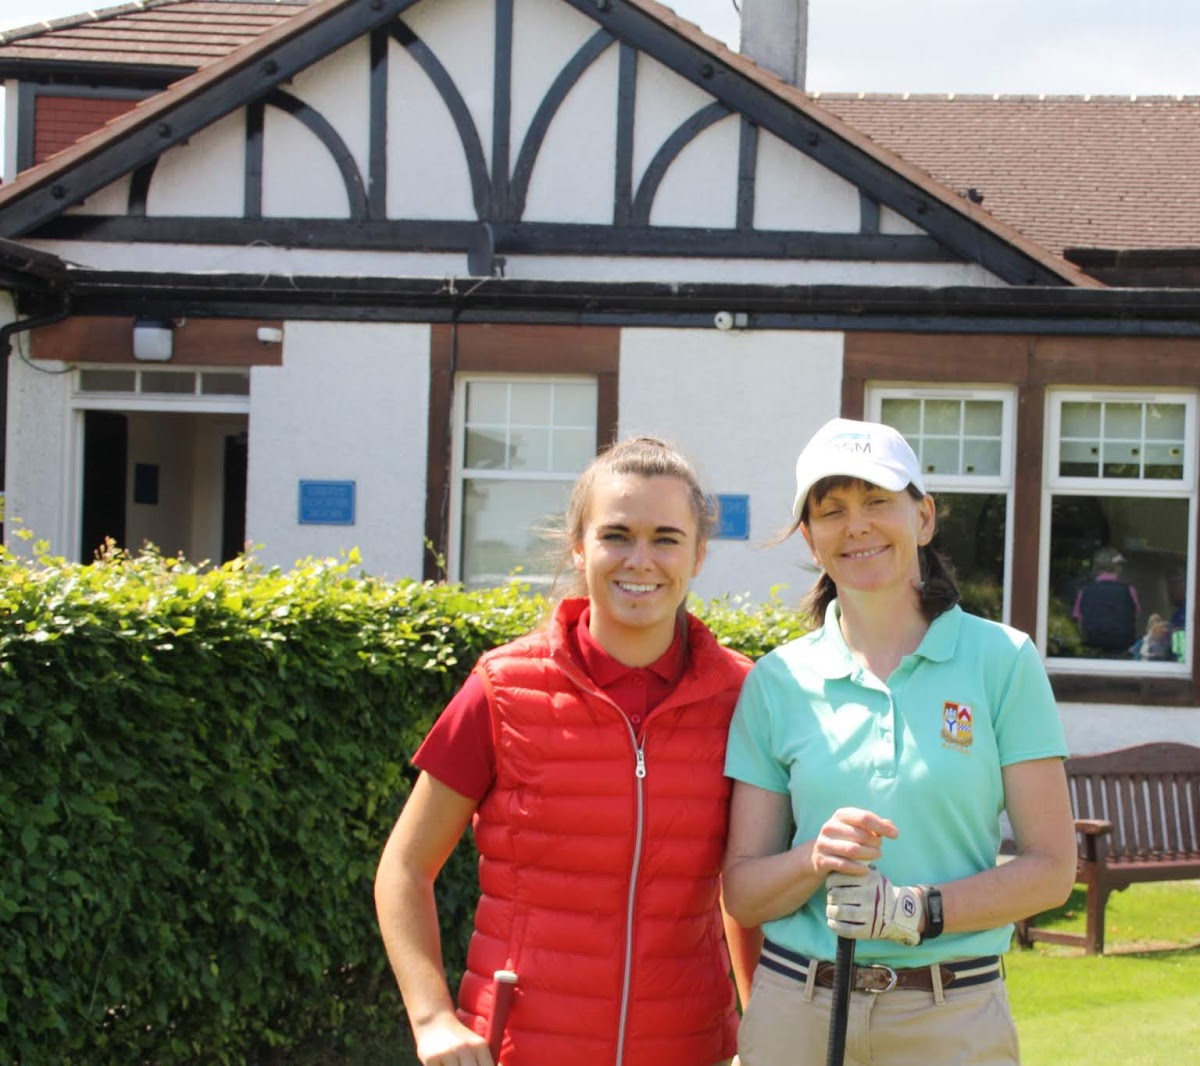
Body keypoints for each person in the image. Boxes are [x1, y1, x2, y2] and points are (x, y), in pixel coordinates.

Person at [374, 437, 761, 1066]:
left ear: (698, 554)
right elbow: (404, 869)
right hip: (519, 1050)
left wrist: (764, 1029)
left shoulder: (743, 696)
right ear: (580, 547)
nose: (641, 559)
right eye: (617, 535)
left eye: (666, 537)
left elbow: (745, 890)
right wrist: (432, 1017)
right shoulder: (502, 688)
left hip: (688, 1049)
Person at [722, 418, 1076, 1066]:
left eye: (878, 501)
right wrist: (812, 860)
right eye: (831, 511)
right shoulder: (777, 681)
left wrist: (913, 909)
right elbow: (742, 894)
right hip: (798, 1013)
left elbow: (1052, 868)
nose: (855, 526)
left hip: (950, 1014)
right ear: (810, 536)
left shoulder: (1003, 660)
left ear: (924, 517)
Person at [1072, 546, 1139, 655]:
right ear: (1118, 568)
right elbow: (1134, 615)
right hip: (1123, 646)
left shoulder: (1084, 591)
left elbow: (1079, 621)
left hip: (1092, 645)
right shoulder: (1129, 590)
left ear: (1096, 567)